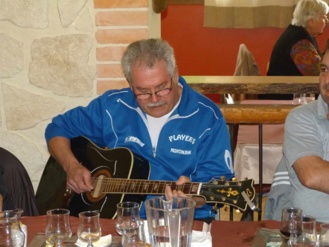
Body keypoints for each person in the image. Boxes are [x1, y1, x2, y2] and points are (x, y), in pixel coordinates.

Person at [45, 38, 234, 221]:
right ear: (129, 83)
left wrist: (193, 199)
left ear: (175, 75)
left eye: (161, 88)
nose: (154, 99)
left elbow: (216, 182)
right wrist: (71, 166)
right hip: (116, 221)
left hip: (183, 222)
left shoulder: (207, 117)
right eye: (142, 92)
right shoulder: (112, 106)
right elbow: (57, 128)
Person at [264, 47, 329, 222]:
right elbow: (312, 174)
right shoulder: (303, 117)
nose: (327, 80)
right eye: (324, 70)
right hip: (311, 234)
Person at [261, 0, 328, 100]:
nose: (326, 21)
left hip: (286, 93)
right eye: (323, 17)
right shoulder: (299, 42)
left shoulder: (299, 34)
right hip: (282, 98)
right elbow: (318, 72)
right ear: (311, 21)